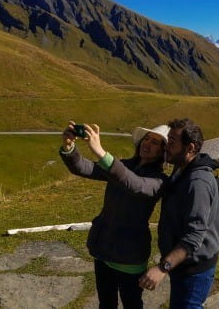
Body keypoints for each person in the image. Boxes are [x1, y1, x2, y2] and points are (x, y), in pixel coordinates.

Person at [59, 121, 169, 309]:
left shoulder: (159, 180)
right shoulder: (124, 165)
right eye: (147, 139)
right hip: (104, 248)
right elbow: (85, 168)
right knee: (106, 303)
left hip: (129, 257)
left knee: (132, 304)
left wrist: (100, 151)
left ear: (163, 152)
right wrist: (69, 148)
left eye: (155, 143)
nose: (147, 144)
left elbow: (135, 184)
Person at [137, 118, 219, 308]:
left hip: (193, 270)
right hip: (182, 264)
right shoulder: (182, 169)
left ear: (190, 147)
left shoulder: (198, 183)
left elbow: (194, 235)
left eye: (172, 142)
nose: (166, 146)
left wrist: (161, 268)